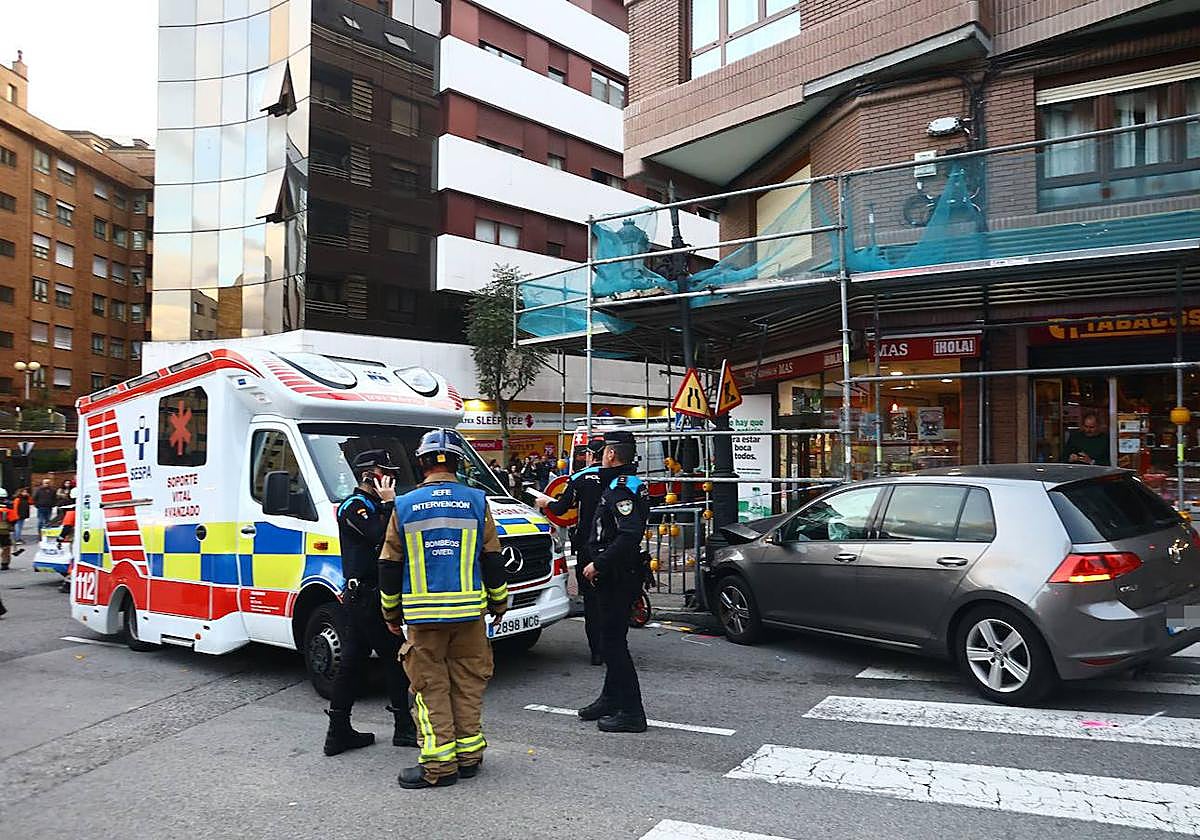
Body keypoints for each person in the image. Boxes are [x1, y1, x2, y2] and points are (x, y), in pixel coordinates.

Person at [379, 429, 509, 789]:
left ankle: (439, 767)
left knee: (430, 689)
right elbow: (492, 558)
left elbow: (389, 564)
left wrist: (391, 614)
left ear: (422, 463)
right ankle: (468, 758)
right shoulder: (477, 501)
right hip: (469, 616)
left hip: (424, 621)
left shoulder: (404, 505)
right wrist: (499, 602)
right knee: (467, 685)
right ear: (458, 463)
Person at [322, 449, 418, 757]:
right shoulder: (354, 506)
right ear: (368, 474)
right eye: (384, 472)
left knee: (352, 663)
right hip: (365, 597)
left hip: (365, 596)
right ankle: (403, 727)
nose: (390, 477)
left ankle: (338, 733)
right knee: (395, 657)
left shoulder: (375, 505)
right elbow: (379, 535)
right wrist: (389, 503)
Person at [579, 430, 651, 734]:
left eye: (604, 452)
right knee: (613, 639)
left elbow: (629, 534)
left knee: (611, 644)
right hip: (622, 572)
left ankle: (632, 712)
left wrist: (599, 563)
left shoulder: (621, 489)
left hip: (616, 574)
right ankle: (610, 699)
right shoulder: (626, 484)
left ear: (610, 454)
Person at [536, 438, 608, 665]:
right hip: (615, 546)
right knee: (613, 599)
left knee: (592, 601)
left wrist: (545, 502)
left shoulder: (580, 478)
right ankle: (614, 647)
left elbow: (561, 508)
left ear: (590, 455)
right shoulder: (620, 478)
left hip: (589, 546)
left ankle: (597, 652)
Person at [1, 488, 16, 570]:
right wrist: (12, 526)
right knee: (6, 546)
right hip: (4, 530)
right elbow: (14, 519)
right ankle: (4, 563)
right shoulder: (8, 507)